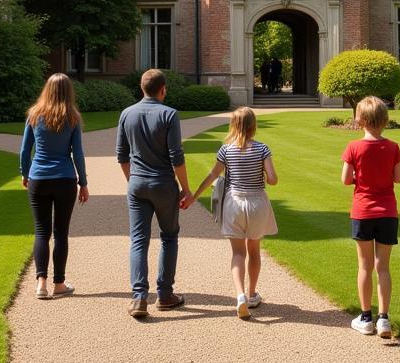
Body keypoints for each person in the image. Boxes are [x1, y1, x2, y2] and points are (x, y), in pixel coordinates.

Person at [186, 107, 278, 318]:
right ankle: (252, 293)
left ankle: (239, 296)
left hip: (234, 202)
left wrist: (194, 195)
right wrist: (264, 173)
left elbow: (212, 175)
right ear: (253, 126)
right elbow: (272, 179)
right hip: (256, 202)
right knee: (253, 249)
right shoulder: (262, 149)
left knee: (238, 253)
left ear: (233, 125)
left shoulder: (226, 150)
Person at [116, 68, 193, 318]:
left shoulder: (127, 114)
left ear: (141, 88)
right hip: (163, 184)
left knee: (138, 240)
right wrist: (186, 189)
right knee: (169, 236)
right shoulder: (169, 114)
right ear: (163, 89)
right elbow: (176, 157)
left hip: (137, 184)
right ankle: (165, 294)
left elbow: (122, 156)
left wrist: (133, 181)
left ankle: (139, 297)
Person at [20, 73, 89, 300]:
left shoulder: (35, 114)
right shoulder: (72, 117)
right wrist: (83, 182)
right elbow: (77, 153)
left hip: (39, 177)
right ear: (69, 91)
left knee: (42, 231)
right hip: (65, 179)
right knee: (61, 233)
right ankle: (59, 283)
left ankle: (41, 283)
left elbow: (24, 151)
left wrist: (25, 173)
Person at [341, 95, 400, 338]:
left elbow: (346, 179)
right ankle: (384, 318)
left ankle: (366, 316)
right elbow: (397, 178)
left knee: (365, 266)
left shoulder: (353, 147)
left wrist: (360, 178)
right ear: (384, 120)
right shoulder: (393, 147)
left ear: (360, 120)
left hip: (363, 210)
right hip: (387, 211)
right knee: (383, 267)